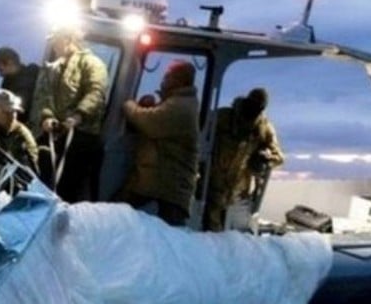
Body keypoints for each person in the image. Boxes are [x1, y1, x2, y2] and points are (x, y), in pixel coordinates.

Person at [117, 61, 200, 227]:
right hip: (162, 182)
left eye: (168, 77)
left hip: (169, 188)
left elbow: (149, 122)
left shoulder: (181, 106)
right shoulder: (177, 102)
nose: (163, 80)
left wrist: (128, 104)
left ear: (179, 80)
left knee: (168, 241)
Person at [34, 26, 108, 202]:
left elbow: (96, 92)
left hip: (81, 135)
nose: (53, 46)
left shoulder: (93, 64)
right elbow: (45, 95)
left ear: (68, 39)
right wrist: (47, 116)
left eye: (56, 41)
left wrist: (78, 115)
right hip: (56, 133)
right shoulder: (54, 67)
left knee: (68, 187)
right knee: (41, 174)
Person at [203, 87, 284, 232]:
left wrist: (265, 158)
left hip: (238, 191)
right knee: (209, 229)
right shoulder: (223, 117)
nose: (254, 109)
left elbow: (278, 157)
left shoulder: (263, 128)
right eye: (252, 104)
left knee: (229, 234)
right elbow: (200, 132)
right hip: (211, 183)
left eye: (259, 106)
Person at [0, 47, 40, 124]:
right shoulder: (6, 83)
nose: (0, 74)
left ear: (10, 62)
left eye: (1, 70)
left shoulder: (33, 72)